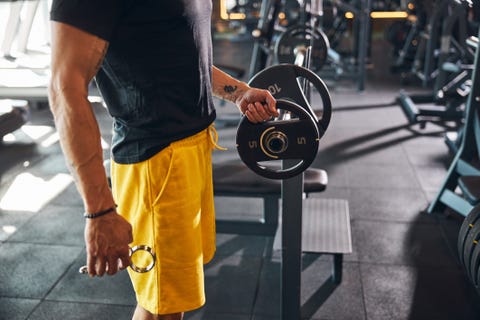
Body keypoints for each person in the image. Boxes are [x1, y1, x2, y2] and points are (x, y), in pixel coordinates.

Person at [47, 1, 277, 320]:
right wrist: (99, 211)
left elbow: (180, 54)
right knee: (160, 308)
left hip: (191, 149)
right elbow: (64, 89)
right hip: (157, 162)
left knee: (170, 300)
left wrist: (238, 92)